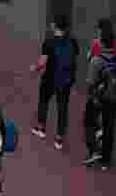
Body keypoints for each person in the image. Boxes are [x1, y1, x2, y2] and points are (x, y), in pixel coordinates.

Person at [29, 14, 79, 150]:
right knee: (62, 107)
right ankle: (59, 138)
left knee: (44, 100)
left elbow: (43, 62)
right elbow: (75, 57)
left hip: (50, 78)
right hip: (66, 80)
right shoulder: (73, 41)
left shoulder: (49, 41)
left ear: (55, 26)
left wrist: (35, 67)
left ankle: (41, 127)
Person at [84, 19, 116, 170]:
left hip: (98, 94)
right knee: (110, 125)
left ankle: (93, 151)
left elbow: (90, 78)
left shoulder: (96, 47)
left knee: (90, 122)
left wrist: (91, 95)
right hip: (112, 94)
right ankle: (106, 159)